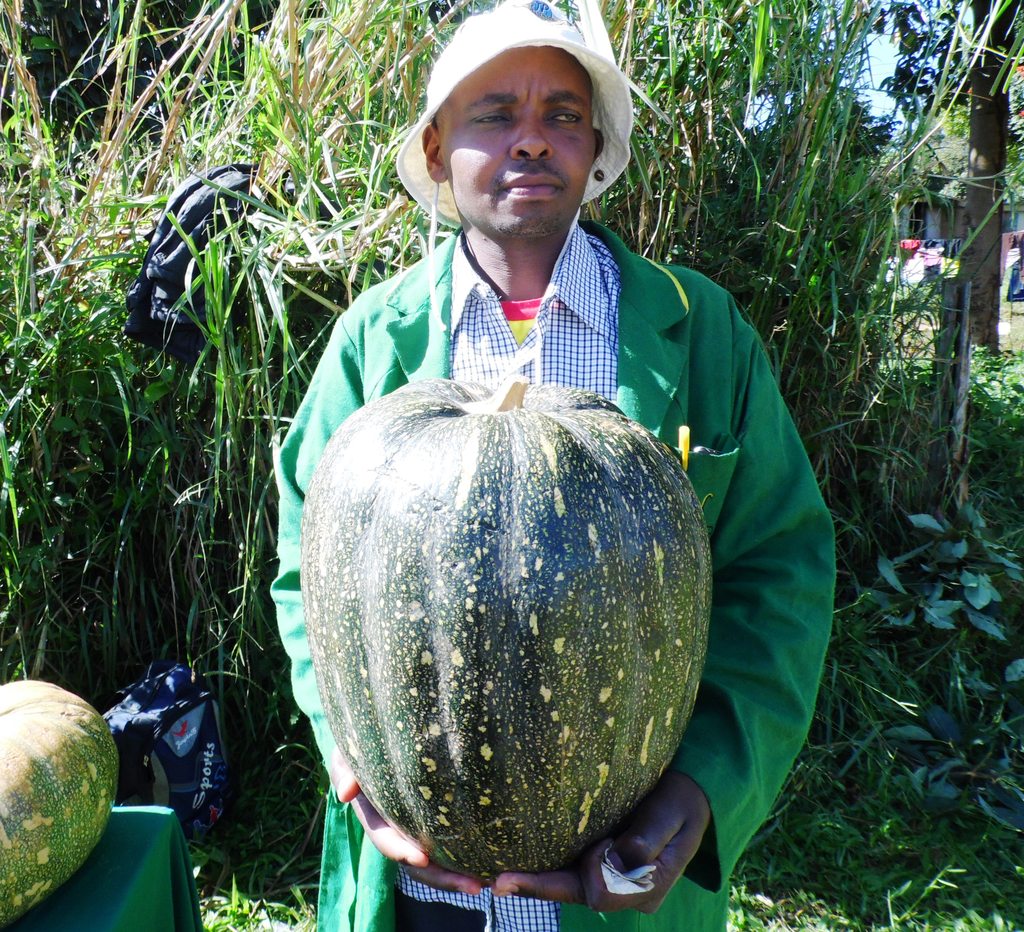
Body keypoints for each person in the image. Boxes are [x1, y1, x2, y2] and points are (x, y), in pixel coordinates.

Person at [270, 1, 836, 929]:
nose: (530, 140)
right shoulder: (375, 343)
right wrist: (347, 754)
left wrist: (699, 792)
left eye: (562, 115)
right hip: (422, 889)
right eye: (494, 113)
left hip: (624, 893)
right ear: (438, 144)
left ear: (597, 147)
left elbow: (781, 576)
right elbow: (306, 571)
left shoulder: (702, 334)